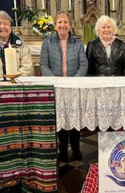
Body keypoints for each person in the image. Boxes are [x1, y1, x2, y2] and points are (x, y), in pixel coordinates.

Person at [40, 11, 88, 162]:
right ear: (55, 25)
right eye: (60, 22)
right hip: (57, 87)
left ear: (70, 24)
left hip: (74, 87)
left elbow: (83, 64)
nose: (63, 25)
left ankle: (76, 149)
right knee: (60, 119)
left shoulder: (77, 43)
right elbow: (43, 65)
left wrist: (74, 81)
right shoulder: (48, 42)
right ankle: (62, 150)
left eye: (65, 22)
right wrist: (56, 81)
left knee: (74, 120)